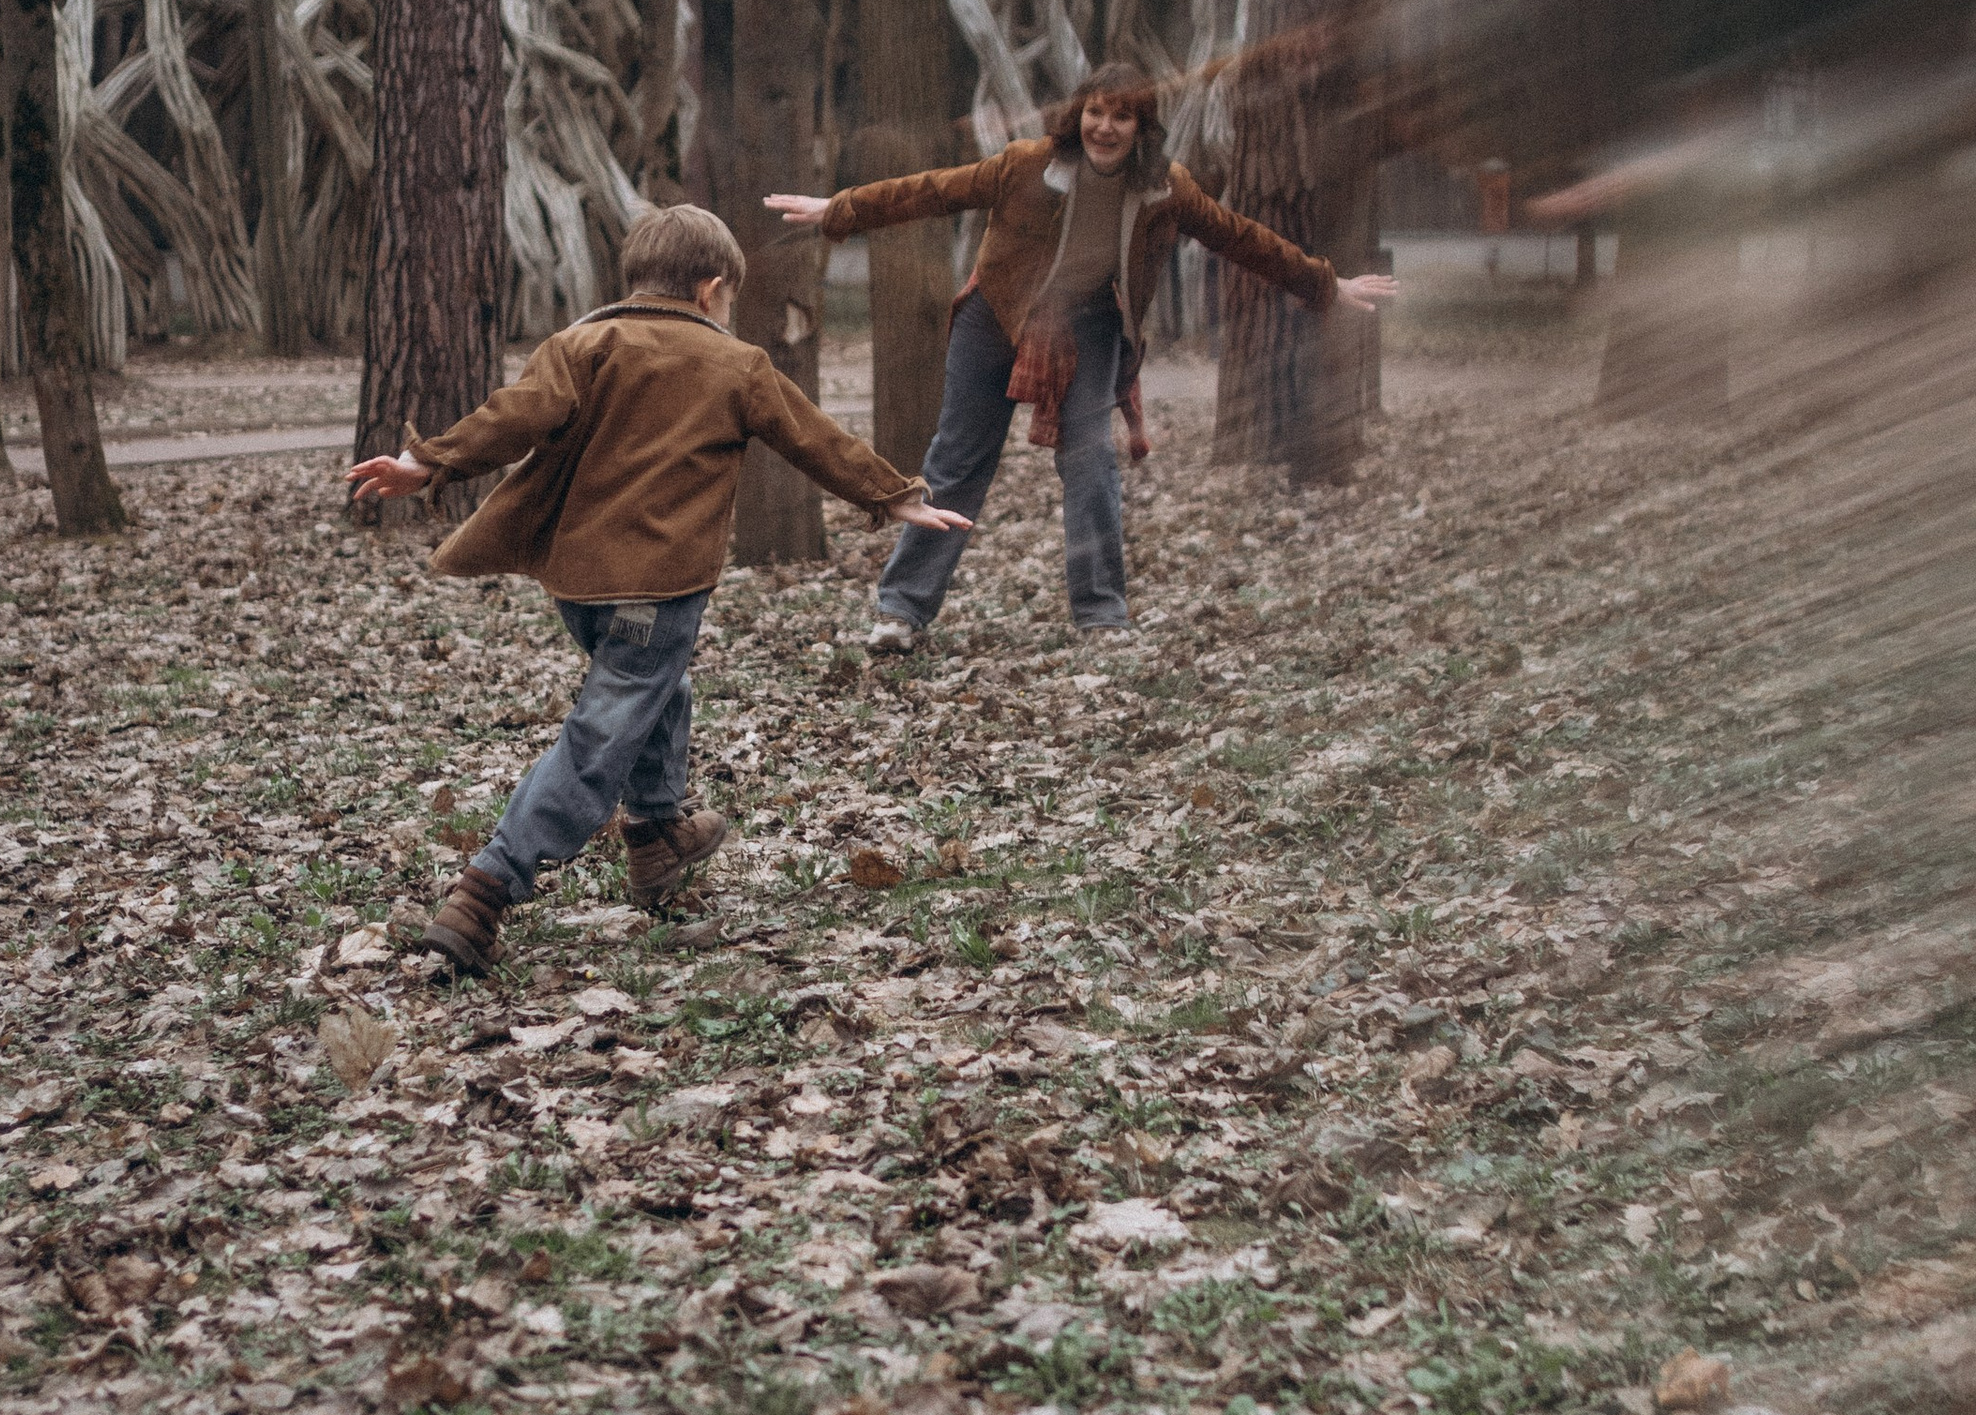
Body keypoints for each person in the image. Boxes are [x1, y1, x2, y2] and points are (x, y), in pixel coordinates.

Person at [347, 203, 970, 976]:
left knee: (653, 693)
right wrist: (895, 495)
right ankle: (484, 891)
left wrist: (427, 462)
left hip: (580, 585)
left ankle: (654, 838)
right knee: (600, 737)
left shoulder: (584, 343)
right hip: (658, 586)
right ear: (712, 290)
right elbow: (814, 438)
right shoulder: (734, 364)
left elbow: (510, 418)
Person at [766, 65, 1395, 653]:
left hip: (1090, 326)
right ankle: (901, 611)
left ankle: (1101, 616)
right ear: (1079, 116)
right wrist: (840, 209)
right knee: (958, 459)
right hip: (998, 315)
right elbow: (933, 191)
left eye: (1123, 117)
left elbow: (1239, 237)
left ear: (1142, 130)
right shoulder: (1027, 165)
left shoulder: (1166, 190)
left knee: (1092, 465)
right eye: (1096, 112)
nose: (1105, 127)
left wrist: (1325, 285)